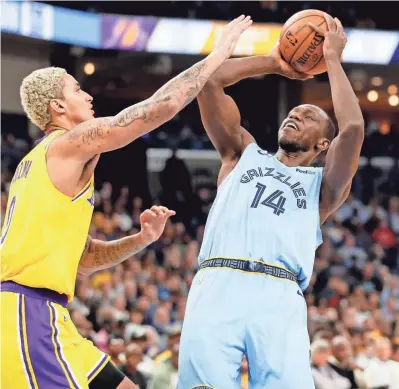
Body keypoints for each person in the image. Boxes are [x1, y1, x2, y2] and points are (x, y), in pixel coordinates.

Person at [0, 15, 253, 389]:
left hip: (48, 313)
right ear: (57, 106)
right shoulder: (67, 144)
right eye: (76, 90)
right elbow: (155, 109)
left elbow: (84, 260)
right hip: (26, 312)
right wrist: (215, 57)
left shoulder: (39, 164)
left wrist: (140, 240)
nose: (87, 96)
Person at [178, 14, 365, 389]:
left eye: (308, 116)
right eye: (294, 112)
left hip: (279, 292)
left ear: (322, 145)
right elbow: (210, 81)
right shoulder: (241, 153)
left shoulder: (323, 187)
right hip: (217, 281)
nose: (296, 114)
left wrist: (331, 60)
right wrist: (274, 62)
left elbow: (353, 129)